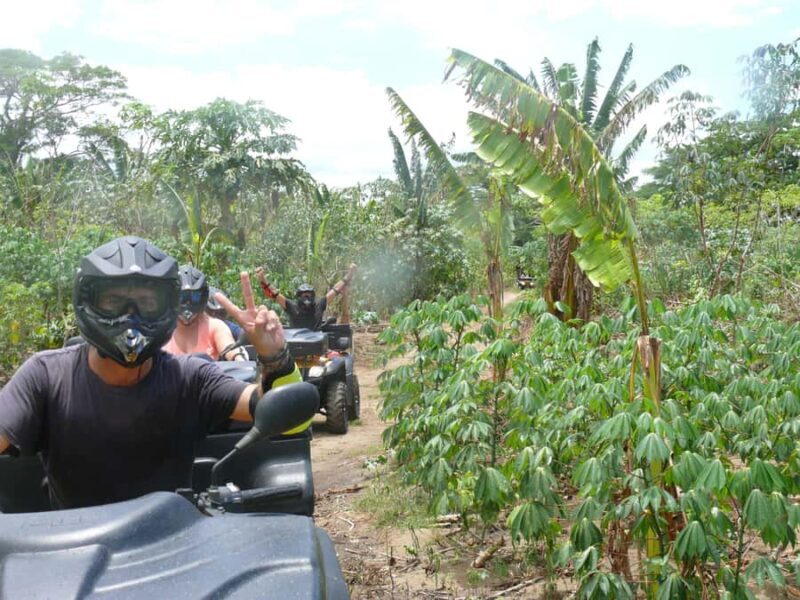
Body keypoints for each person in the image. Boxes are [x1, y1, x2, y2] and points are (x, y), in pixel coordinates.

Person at [0, 236, 303, 509]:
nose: (130, 316)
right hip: (75, 553)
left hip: (170, 550)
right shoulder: (46, 376)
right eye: (113, 301)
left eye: (147, 302)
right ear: (88, 301)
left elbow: (282, 414)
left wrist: (275, 356)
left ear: (167, 306)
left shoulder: (190, 377)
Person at [164, 265, 247, 361]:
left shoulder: (215, 326)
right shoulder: (160, 331)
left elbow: (229, 348)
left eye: (195, 297)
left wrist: (239, 359)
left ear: (203, 298)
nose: (187, 303)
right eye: (181, 297)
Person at [255, 264, 357, 330]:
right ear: (299, 296)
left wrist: (349, 275)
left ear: (313, 296)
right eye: (304, 295)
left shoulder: (319, 305)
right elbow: (275, 294)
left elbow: (335, 290)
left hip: (317, 348)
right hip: (295, 346)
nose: (307, 297)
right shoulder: (292, 307)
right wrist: (263, 279)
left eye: (309, 294)